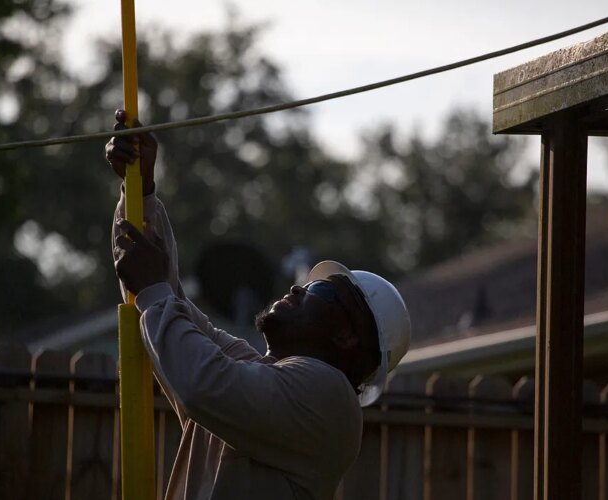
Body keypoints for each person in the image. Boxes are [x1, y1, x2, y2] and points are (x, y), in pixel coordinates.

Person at [106, 109, 411, 500]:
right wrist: (141, 193)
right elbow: (163, 300)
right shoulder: (251, 371)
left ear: (346, 335)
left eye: (319, 291)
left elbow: (198, 374)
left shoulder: (330, 398)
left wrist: (152, 289)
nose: (299, 289)